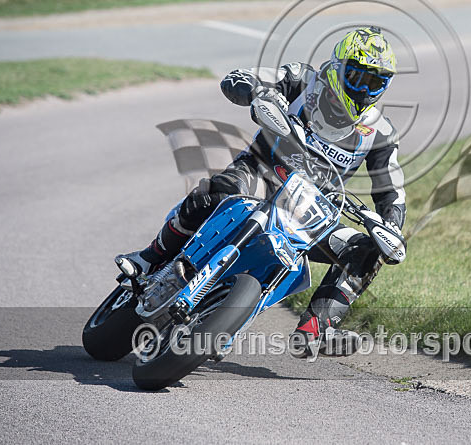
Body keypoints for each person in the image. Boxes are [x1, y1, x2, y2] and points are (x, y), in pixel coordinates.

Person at [116, 27, 406, 355]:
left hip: (310, 210)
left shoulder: (380, 132)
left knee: (365, 249)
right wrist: (256, 91)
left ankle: (315, 329)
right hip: (260, 173)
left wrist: (390, 223)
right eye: (358, 78)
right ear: (338, 67)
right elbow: (239, 77)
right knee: (217, 192)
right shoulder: (301, 79)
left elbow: (392, 189)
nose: (365, 90)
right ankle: (149, 257)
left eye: (375, 82)